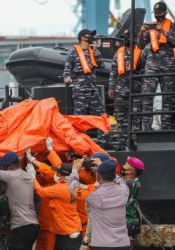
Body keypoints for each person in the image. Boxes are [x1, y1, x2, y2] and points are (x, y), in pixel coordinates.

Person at [136, 1, 175, 130]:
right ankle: (146, 127)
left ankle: (166, 127)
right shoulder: (151, 26)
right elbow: (140, 45)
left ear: (165, 12)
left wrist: (163, 31)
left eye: (160, 13)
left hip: (168, 66)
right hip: (152, 65)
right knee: (147, 96)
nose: (158, 16)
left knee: (167, 97)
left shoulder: (172, 26)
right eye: (156, 13)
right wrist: (141, 32)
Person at [0, 151, 39, 250]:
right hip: (34, 226)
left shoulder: (11, 176)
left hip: (20, 227)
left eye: (4, 167)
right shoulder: (29, 176)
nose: (3, 170)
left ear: (11, 166)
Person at [32, 162, 82, 250]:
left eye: (57, 173)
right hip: (69, 230)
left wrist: (32, 178)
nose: (55, 174)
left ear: (63, 176)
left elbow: (40, 191)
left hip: (68, 232)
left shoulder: (62, 188)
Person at [109, 29, 143, 150]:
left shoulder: (140, 52)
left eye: (128, 37)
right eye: (125, 37)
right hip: (120, 90)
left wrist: (136, 66)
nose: (126, 39)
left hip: (136, 90)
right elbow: (113, 72)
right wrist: (111, 88)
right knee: (121, 117)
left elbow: (146, 69)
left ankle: (136, 144)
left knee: (136, 118)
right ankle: (122, 144)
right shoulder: (119, 53)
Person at [85, 160, 130, 250]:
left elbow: (73, 188)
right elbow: (120, 181)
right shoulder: (124, 190)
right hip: (122, 244)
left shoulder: (92, 196)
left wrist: (74, 171)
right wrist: (104, 169)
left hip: (101, 244)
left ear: (99, 176)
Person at [63, 29, 105, 116]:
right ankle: (79, 130)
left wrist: (95, 51)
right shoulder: (73, 51)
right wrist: (67, 77)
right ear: (82, 37)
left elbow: (101, 66)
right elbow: (67, 68)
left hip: (93, 88)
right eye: (90, 35)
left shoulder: (93, 51)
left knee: (100, 114)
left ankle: (100, 130)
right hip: (80, 88)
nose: (92, 37)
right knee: (80, 115)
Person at [121, 157, 145, 242]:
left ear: (130, 171)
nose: (123, 166)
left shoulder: (128, 183)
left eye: (125, 165)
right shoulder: (135, 182)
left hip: (124, 222)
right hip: (129, 221)